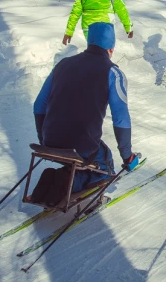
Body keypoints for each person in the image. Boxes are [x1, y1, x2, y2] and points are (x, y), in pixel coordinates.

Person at [33, 22, 139, 206]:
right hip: (82, 146)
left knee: (86, 152)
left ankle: (59, 179)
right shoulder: (113, 73)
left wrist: (44, 138)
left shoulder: (63, 64)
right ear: (111, 47)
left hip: (50, 140)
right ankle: (70, 184)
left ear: (90, 41)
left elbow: (38, 105)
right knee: (106, 164)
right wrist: (127, 156)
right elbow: (121, 118)